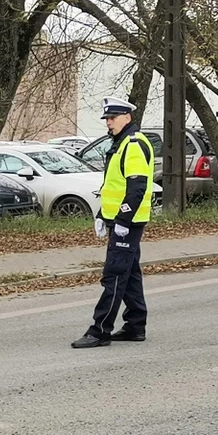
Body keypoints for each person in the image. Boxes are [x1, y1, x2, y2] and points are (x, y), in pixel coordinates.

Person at [73, 97, 155, 349]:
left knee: (115, 274)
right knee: (129, 274)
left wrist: (122, 219)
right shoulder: (121, 144)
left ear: (127, 118)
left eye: (113, 118)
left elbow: (137, 187)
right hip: (119, 220)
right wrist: (101, 215)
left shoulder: (133, 144)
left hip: (127, 222)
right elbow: (113, 187)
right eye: (107, 119)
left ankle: (100, 331)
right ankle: (135, 325)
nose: (108, 123)